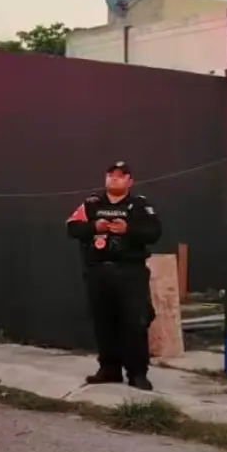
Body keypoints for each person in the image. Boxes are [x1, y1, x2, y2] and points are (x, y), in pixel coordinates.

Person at [65, 162, 163, 390]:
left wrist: (128, 230)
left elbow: (154, 232)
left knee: (134, 323)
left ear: (130, 181)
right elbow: (71, 227)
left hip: (130, 272)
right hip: (99, 271)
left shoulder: (140, 206)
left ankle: (137, 373)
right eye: (111, 176)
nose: (114, 180)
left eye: (120, 176)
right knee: (103, 322)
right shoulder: (92, 204)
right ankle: (109, 369)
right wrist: (94, 227)